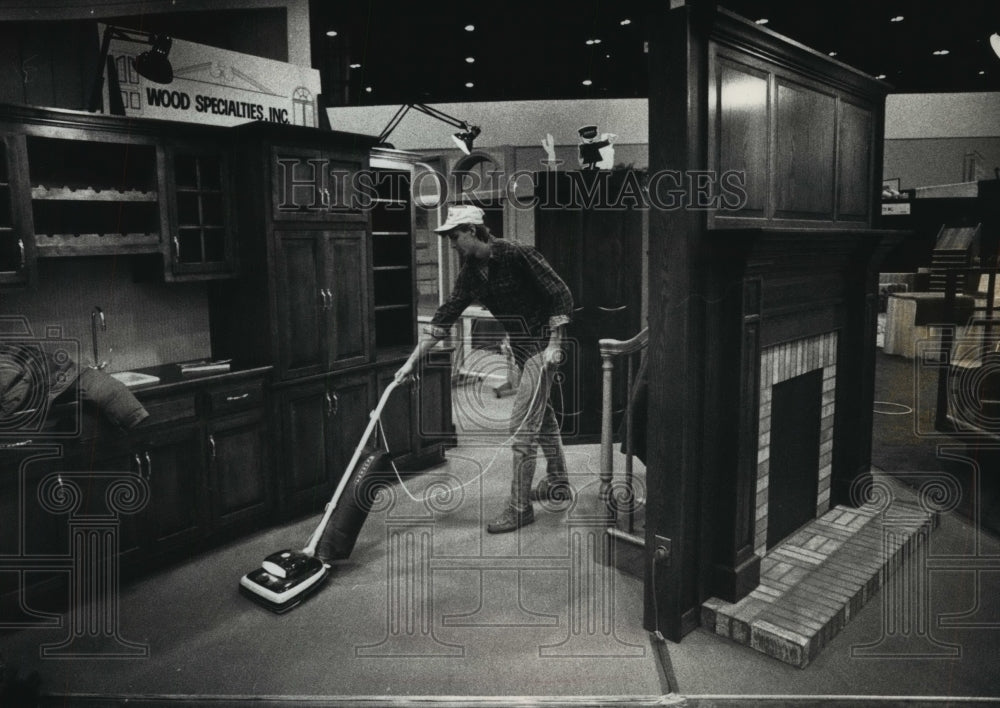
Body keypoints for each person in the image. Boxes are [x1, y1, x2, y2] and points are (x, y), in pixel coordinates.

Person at [394, 204, 574, 533]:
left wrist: (556, 344)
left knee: (522, 427)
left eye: (454, 236)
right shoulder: (470, 273)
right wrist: (410, 364)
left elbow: (559, 293)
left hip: (542, 346)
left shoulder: (517, 253)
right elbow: (444, 317)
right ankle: (558, 481)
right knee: (542, 416)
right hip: (522, 348)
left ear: (474, 232)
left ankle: (520, 508)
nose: (451, 243)